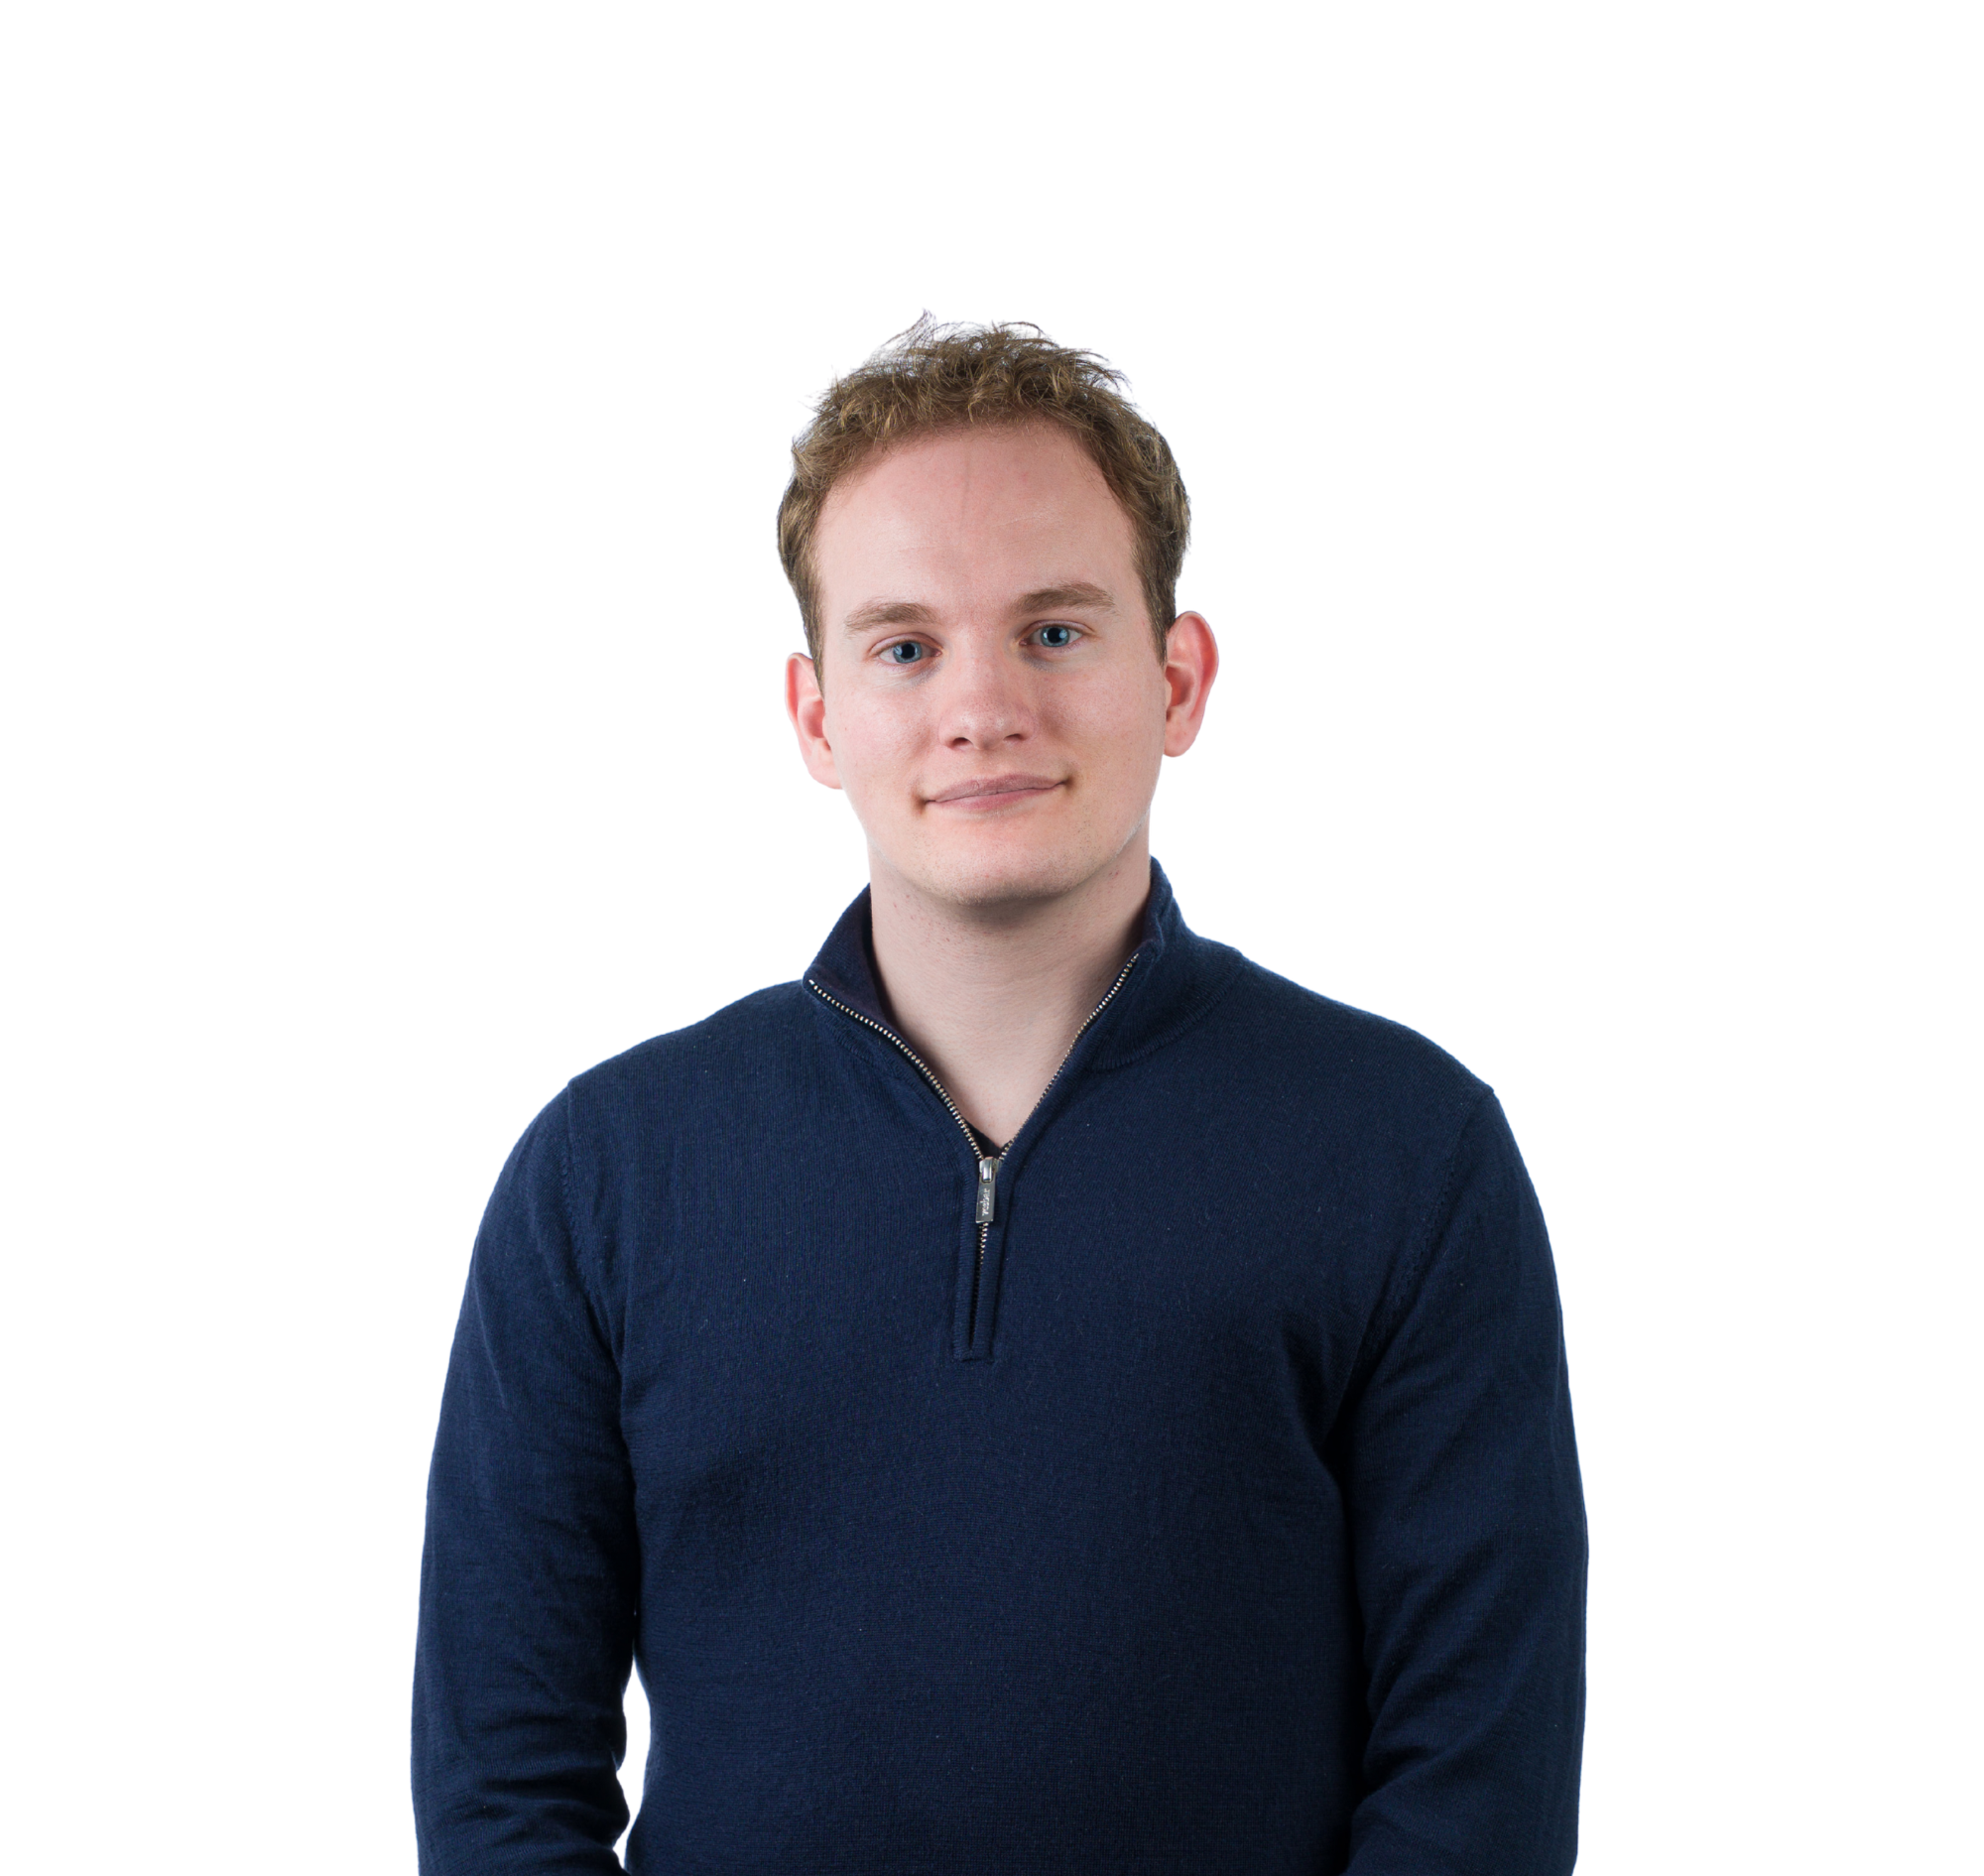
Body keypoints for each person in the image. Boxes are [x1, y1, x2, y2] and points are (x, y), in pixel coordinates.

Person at [412, 321, 1587, 1874]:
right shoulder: (607, 1175)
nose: (982, 705)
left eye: (1054, 630)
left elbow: (1477, 1783)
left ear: (1178, 679)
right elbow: (502, 1780)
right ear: (817, 715)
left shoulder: (1405, 1153)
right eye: (904, 647)